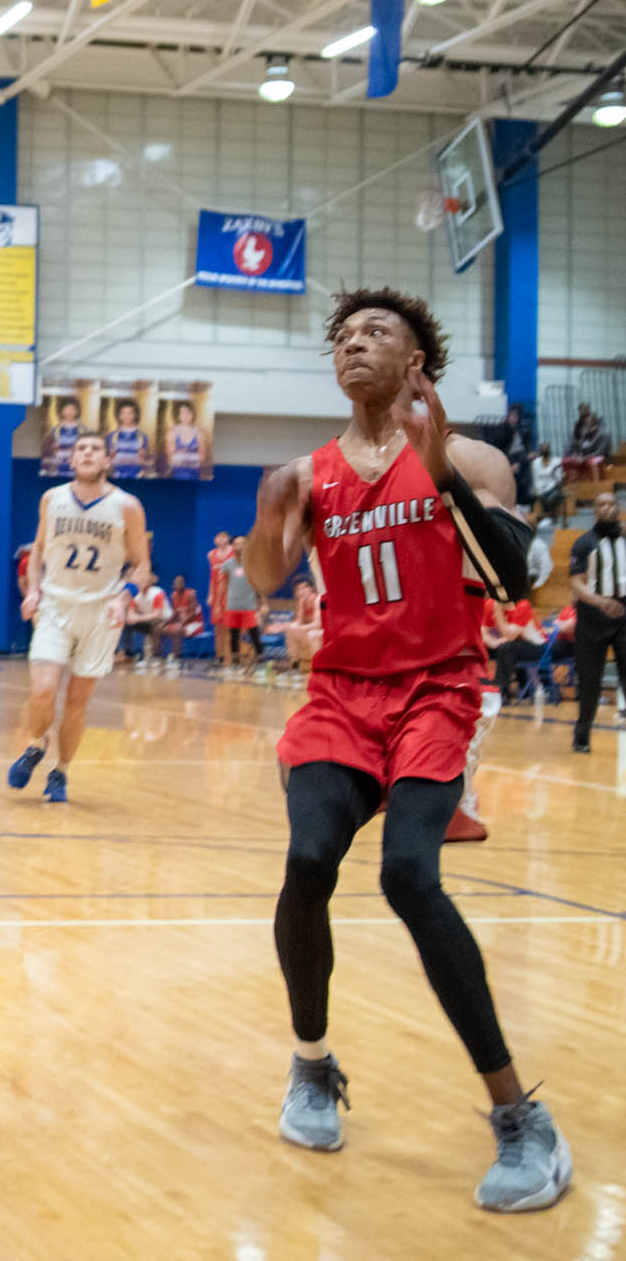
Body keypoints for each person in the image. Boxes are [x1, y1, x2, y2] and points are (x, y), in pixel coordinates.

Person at [243, 285, 568, 1213]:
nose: (353, 344)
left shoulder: (474, 459)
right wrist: (269, 517)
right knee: (309, 860)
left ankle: (521, 1117)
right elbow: (265, 578)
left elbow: (511, 578)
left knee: (409, 877)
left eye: (374, 332)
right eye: (343, 336)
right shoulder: (306, 475)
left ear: (416, 361)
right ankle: (312, 1063)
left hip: (436, 692)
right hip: (342, 696)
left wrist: (445, 478)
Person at [9, 432, 149, 802]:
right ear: (72, 460)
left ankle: (61, 771)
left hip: (101, 612)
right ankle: (36, 744)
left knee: (76, 703)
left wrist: (124, 598)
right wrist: (33, 590)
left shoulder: (127, 506)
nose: (87, 453)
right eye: (81, 449)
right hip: (55, 606)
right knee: (42, 691)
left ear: (107, 460)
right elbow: (38, 550)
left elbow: (142, 566)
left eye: (95, 449)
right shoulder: (52, 499)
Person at [568, 490, 626, 753]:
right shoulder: (584, 543)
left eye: (610, 504)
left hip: (623, 615)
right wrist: (600, 601)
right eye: (601, 504)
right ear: (594, 510)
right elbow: (576, 583)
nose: (606, 508)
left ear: (617, 508)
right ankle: (582, 734)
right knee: (590, 680)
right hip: (592, 618)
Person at [220, 535, 263, 673]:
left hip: (249, 605)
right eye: (236, 544)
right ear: (233, 547)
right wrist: (219, 604)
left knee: (254, 634)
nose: (239, 546)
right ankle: (235, 663)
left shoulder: (253, 564)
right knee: (234, 635)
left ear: (247, 546)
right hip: (232, 605)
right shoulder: (227, 565)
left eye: (242, 543)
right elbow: (223, 585)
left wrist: (263, 603)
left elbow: (259, 585)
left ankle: (261, 662)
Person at [121, 571, 170, 670]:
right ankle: (131, 654)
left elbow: (157, 614)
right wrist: (131, 617)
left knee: (155, 627)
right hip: (147, 620)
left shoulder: (158, 593)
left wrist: (137, 618)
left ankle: (156, 657)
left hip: (164, 620)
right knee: (128, 624)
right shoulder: (135, 595)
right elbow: (131, 613)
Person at [157, 576, 203, 673]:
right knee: (160, 629)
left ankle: (176, 659)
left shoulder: (191, 594)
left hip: (195, 623)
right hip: (182, 624)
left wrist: (181, 623)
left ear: (183, 584)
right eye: (175, 583)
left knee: (176, 630)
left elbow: (193, 613)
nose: (176, 585)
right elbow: (175, 614)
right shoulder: (173, 595)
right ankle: (160, 658)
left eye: (178, 583)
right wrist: (164, 623)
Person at [280, 576, 322, 681]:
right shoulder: (302, 602)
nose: (301, 591)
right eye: (298, 589)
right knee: (291, 629)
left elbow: (318, 624)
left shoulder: (318, 600)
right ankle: (295, 664)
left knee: (311, 635)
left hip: (323, 630)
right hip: (310, 629)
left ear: (311, 588)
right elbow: (299, 622)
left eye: (303, 588)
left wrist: (301, 628)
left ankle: (318, 669)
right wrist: (301, 607)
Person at [207, 529, 234, 668]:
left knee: (229, 627)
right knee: (218, 628)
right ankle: (219, 657)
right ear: (215, 540)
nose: (222, 539)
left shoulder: (233, 552)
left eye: (224, 536)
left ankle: (230, 657)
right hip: (217, 595)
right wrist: (210, 594)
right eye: (219, 537)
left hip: (230, 593)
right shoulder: (211, 555)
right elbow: (212, 577)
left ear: (228, 538)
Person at [107, 398, 151, 480]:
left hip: (137, 477)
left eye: (130, 413)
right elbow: (107, 461)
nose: (127, 416)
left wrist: (144, 456)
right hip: (117, 477)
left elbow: (146, 461)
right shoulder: (112, 436)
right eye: (124, 413)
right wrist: (111, 455)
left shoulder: (142, 436)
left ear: (135, 415)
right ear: (119, 415)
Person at [165, 400, 207, 479]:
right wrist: (193, 456)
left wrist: (180, 455)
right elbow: (170, 459)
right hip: (177, 475)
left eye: (188, 412)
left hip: (195, 475)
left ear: (192, 414)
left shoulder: (200, 433)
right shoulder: (172, 432)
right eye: (182, 413)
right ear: (178, 415)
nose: (185, 415)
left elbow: (202, 458)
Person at [566, 403, 608, 481]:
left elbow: (599, 452)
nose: (586, 425)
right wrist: (575, 455)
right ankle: (575, 483)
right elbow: (576, 449)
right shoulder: (583, 435)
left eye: (590, 423)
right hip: (583, 461)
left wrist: (584, 458)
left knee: (593, 462)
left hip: (598, 462)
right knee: (571, 462)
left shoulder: (603, 436)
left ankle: (595, 484)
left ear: (596, 424)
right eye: (585, 424)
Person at [42, 396, 82, 475]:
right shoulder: (55, 430)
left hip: (77, 465)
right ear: (61, 411)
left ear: (77, 411)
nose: (69, 412)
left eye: (72, 409)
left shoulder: (82, 430)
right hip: (59, 465)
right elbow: (48, 450)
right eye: (66, 409)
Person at [530, 443, 566, 526]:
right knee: (537, 495)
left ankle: (551, 516)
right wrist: (537, 489)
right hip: (540, 487)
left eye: (546, 449)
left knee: (555, 495)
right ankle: (544, 517)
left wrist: (557, 486)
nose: (544, 451)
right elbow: (535, 478)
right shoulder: (535, 463)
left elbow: (559, 478)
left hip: (553, 486)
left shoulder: (556, 461)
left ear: (549, 451)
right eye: (542, 450)